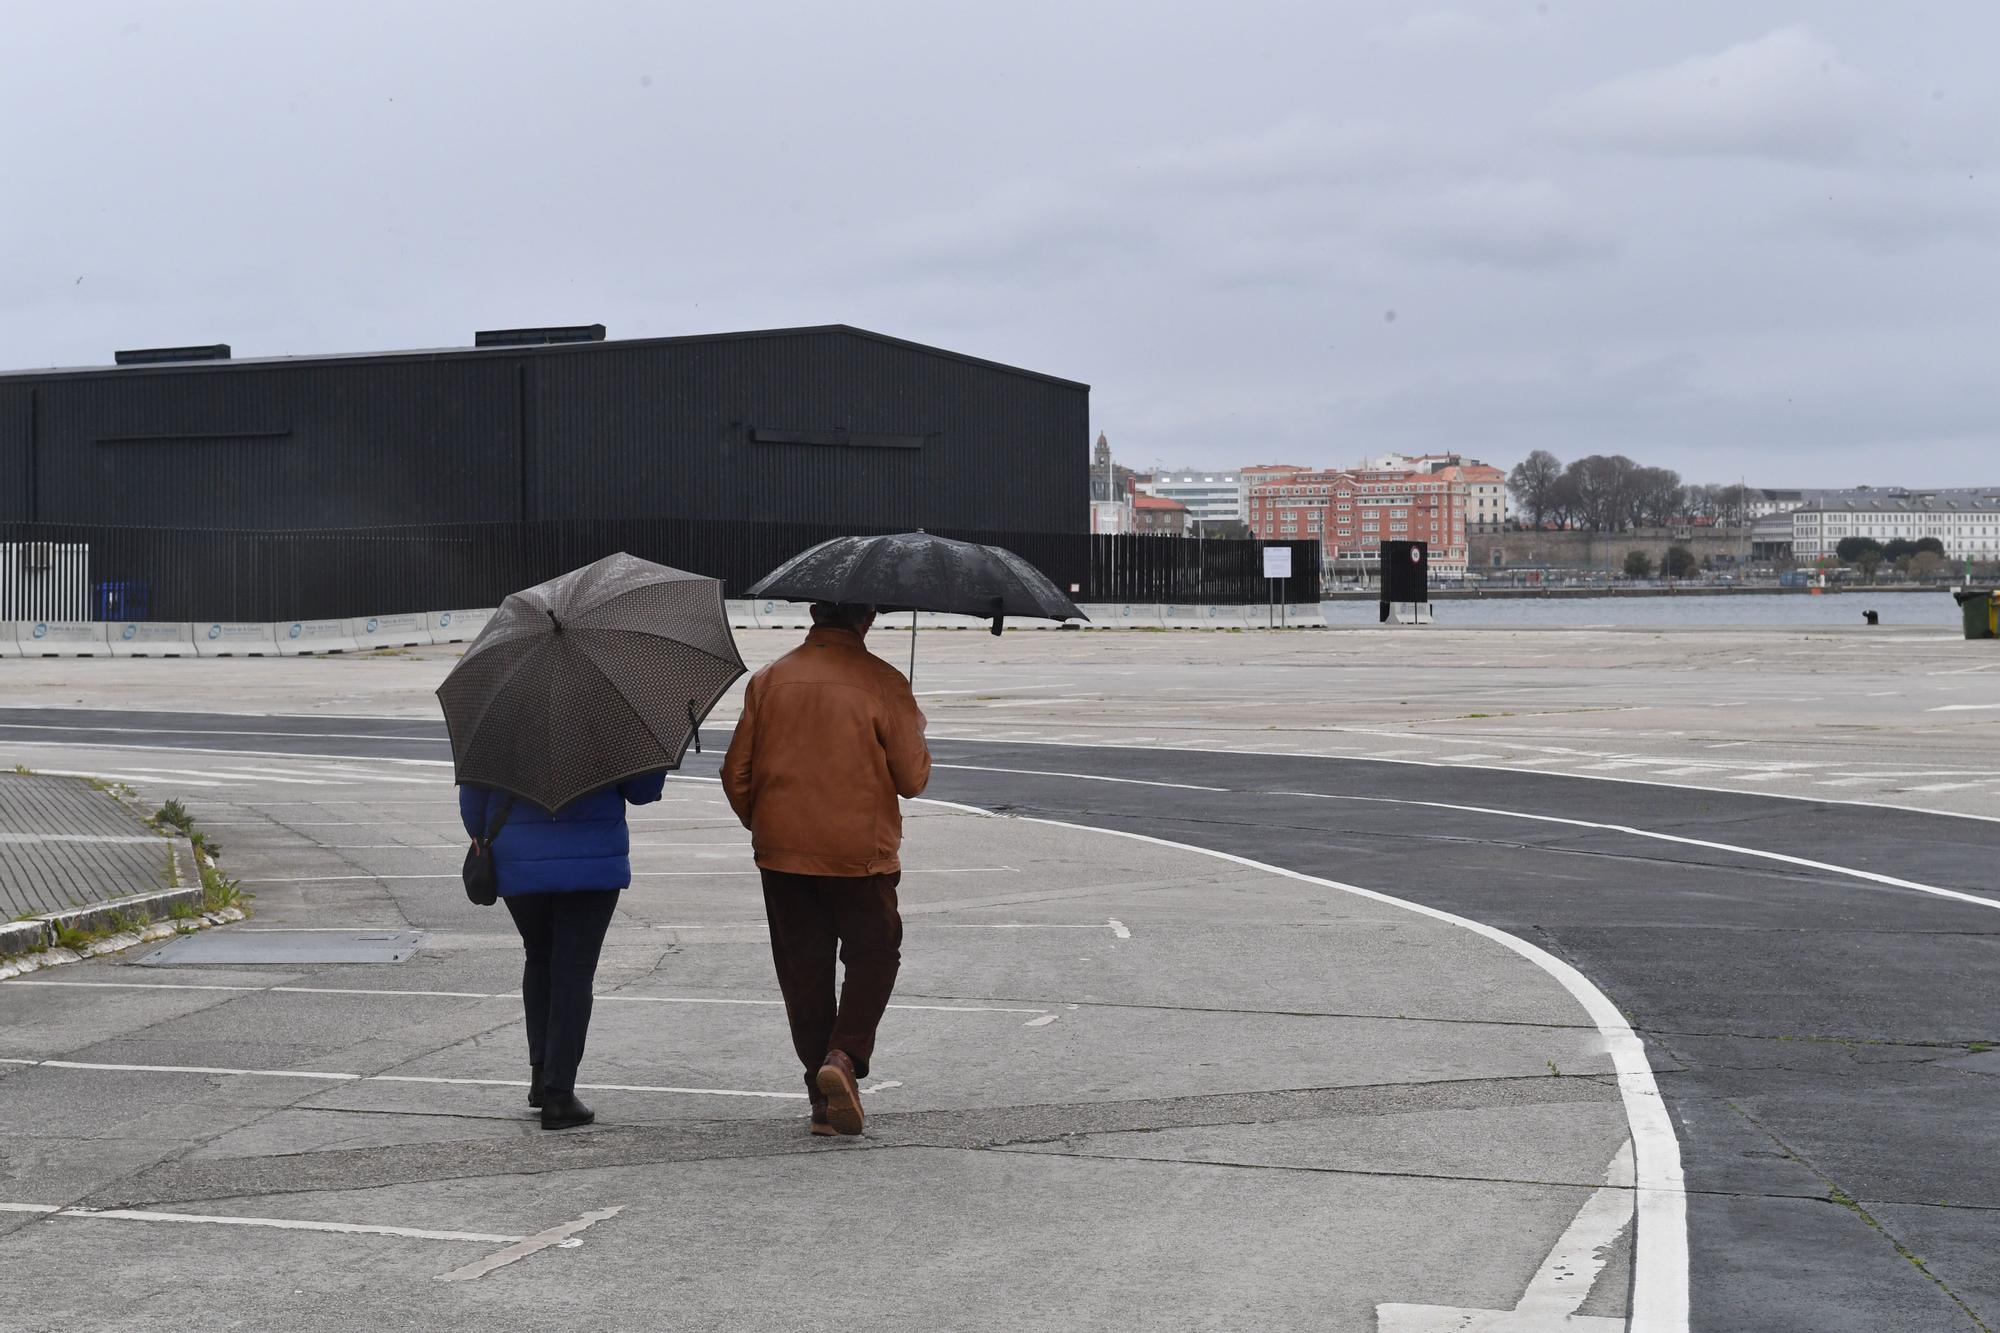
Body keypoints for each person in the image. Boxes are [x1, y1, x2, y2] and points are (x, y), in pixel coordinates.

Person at [721, 601, 931, 1136]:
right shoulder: (884, 681)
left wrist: (769, 826)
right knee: (875, 952)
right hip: (860, 852)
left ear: (814, 612)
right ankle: (844, 1057)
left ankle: (821, 1102)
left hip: (783, 851)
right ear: (869, 619)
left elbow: (736, 772)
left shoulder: (768, 681)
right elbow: (911, 778)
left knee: (803, 969)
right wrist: (916, 727)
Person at [458, 772, 666, 1130]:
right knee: (573, 971)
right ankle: (560, 1093)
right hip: (593, 859)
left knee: (538, 955)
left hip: (519, 858)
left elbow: (473, 798)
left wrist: (485, 837)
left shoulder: (503, 719)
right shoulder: (610, 722)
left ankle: (541, 1077)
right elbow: (644, 792)